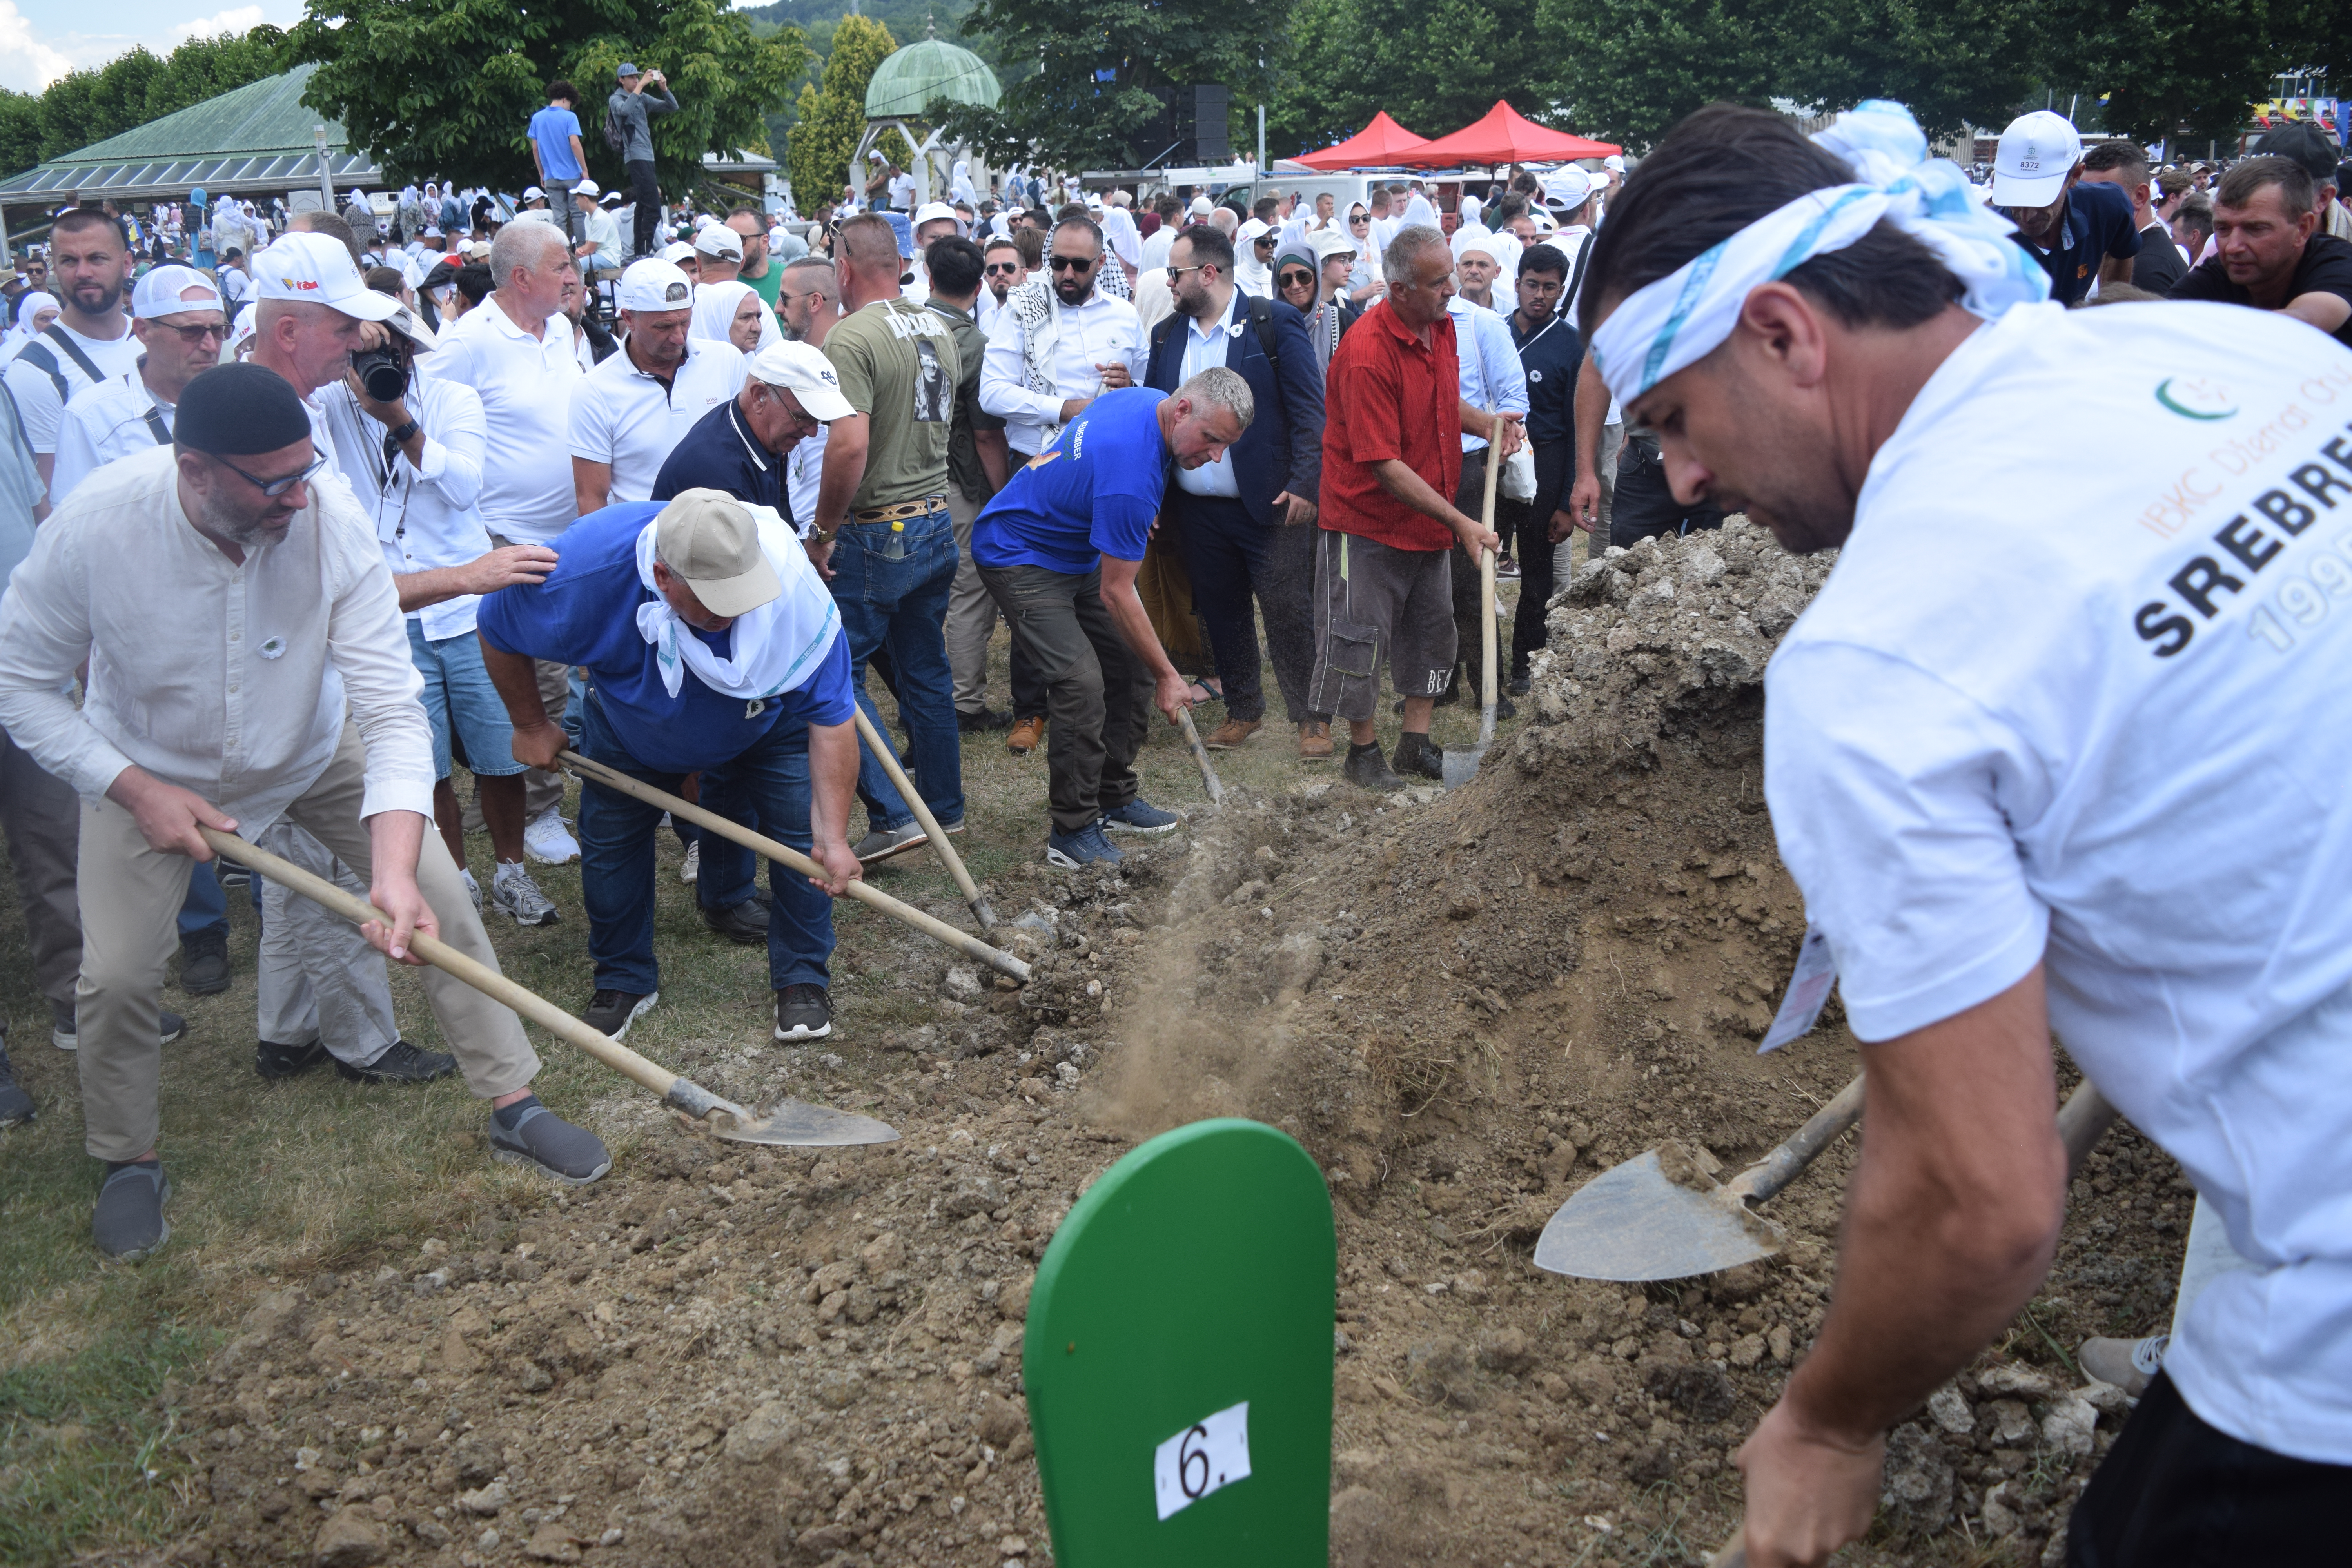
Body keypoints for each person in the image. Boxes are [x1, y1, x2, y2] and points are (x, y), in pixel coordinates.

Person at [1578, 94, 2352, 1568]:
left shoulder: (1874, 664)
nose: (1677, 480)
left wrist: (1826, 1418)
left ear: (1785, 333)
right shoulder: (2222, 352)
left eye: (1674, 417)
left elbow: (1979, 1199)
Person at [0, 363, 614, 1258]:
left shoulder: (327, 517)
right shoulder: (97, 528)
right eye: (273, 481)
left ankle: (513, 1102)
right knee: (119, 975)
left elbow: (390, 698)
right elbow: (21, 687)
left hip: (314, 743)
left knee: (442, 904)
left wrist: (396, 869)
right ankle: (128, 1156)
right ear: (196, 469)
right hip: (148, 767)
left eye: (307, 469)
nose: (300, 495)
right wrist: (134, 787)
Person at [476, 485, 863, 1045]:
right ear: (663, 576)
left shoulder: (794, 591)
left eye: (741, 595)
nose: (732, 613)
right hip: (632, 731)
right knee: (610, 846)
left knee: (803, 842)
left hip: (766, 721)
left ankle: (802, 978)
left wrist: (834, 837)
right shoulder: (581, 577)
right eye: (713, 601)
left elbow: (832, 718)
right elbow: (497, 625)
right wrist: (531, 724)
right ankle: (624, 979)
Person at [973, 373, 1248, 865]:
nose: (1215, 457)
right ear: (1183, 410)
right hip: (1019, 553)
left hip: (1076, 549)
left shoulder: (1148, 402)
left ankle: (1113, 796)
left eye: (1226, 446)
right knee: (1080, 682)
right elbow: (1118, 592)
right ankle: (1072, 833)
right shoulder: (1132, 479)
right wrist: (1172, 677)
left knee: (1130, 663)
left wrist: (1156, 669)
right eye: (1211, 440)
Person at [1307, 225, 1512, 793]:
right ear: (1398, 289)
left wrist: (1487, 424)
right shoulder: (1368, 353)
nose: (1451, 288)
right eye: (1438, 281)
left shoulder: (1440, 326)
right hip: (1367, 520)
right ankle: (1363, 751)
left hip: (1427, 518)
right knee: (1360, 637)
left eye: (1450, 275)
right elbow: (1383, 465)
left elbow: (1443, 398)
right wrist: (1461, 521)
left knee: (1431, 633)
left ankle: (1414, 744)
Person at [424, 219, 585, 864]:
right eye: (561, 266)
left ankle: (567, 782)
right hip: (506, 536)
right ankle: (540, 811)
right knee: (536, 676)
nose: (573, 275)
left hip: (573, 528)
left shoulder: (566, 331)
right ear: (522, 278)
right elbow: (427, 431)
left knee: (575, 671)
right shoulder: (466, 344)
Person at [809, 213, 968, 863]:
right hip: (935, 516)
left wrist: (822, 531)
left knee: (833, 673)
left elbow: (848, 445)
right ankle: (944, 807)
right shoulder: (939, 324)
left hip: (880, 528)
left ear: (844, 267)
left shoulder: (850, 338)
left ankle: (897, 813)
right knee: (925, 671)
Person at [1148, 224, 1330, 759]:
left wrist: (1305, 483)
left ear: (1208, 273)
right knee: (1221, 612)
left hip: (1271, 503)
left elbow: (1309, 410)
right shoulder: (1166, 335)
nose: (1169, 284)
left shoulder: (1273, 323)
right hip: (1198, 509)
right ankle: (1244, 709)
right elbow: (1160, 419)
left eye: (1175, 274)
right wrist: (1156, 497)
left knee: (1290, 612)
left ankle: (1311, 716)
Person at [980, 217, 1145, 756]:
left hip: (1104, 468)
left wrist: (1127, 386)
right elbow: (993, 393)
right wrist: (1062, 407)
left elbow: (1145, 390)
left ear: (1103, 264)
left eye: (1079, 265)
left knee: (1096, 584)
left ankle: (1104, 699)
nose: (1067, 274)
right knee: (1037, 582)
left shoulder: (1124, 314)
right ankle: (1031, 709)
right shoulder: (1021, 309)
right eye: (1058, 264)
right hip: (1042, 463)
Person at [921, 235, 1015, 733]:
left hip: (900, 481)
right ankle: (963, 703)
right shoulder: (977, 345)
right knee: (968, 594)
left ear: (929, 278)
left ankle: (920, 693)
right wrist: (1003, 495)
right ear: (980, 286)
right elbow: (985, 433)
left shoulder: (900, 331)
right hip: (956, 483)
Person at [571, 258, 745, 515]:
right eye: (663, 327)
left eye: (685, 321)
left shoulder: (727, 361)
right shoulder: (594, 391)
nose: (679, 337)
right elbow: (592, 501)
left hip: (727, 534)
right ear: (629, 319)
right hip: (644, 545)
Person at [1439, 240, 1528, 717]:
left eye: (1480, 263)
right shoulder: (1409, 323)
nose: (1468, 272)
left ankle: (1487, 684)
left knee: (1474, 581)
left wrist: (1504, 427)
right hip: (1419, 470)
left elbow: (1514, 395)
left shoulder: (1483, 326)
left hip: (1469, 468)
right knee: (1431, 583)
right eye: (1463, 263)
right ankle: (1440, 682)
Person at [50, 266, 224, 507]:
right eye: (191, 332)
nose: (211, 347)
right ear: (143, 331)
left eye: (218, 330)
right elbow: (73, 528)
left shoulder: (241, 401)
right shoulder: (92, 418)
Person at [7, 209, 140, 518]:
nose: (83, 273)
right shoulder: (34, 371)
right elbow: (47, 503)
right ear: (54, 267)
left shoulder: (153, 340)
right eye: (69, 261)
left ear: (126, 264)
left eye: (97, 258)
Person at [1501, 243, 1580, 696]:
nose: (1539, 295)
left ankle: (1525, 666)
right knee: (1474, 568)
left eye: (1549, 288)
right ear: (1517, 284)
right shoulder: (1494, 333)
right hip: (1494, 458)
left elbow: (1575, 427)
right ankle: (1471, 669)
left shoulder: (1571, 345)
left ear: (1560, 291)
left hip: (1546, 459)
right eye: (1532, 285)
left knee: (1537, 572)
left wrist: (1567, 500)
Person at [2169, 156, 2352, 347]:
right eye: (2223, 229)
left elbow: (2303, 322)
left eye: (2255, 229)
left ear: (2303, 228)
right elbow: (2160, 319)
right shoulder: (2217, 272)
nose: (2233, 247)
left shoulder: (2337, 261)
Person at [1990, 109, 2138, 306]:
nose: (2027, 215)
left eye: (2041, 197)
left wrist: (2110, 313)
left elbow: (2123, 250)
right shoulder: (1981, 239)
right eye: (2015, 195)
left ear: (2076, 176)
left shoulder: (2108, 207)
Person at [2079, 142, 2185, 295]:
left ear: (2140, 197)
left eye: (2103, 196)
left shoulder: (2146, 269)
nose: (2089, 207)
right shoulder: (2132, 251)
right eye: (2084, 194)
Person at [610, 64, 679, 261]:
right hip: (635, 155)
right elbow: (624, 111)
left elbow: (673, 107)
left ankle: (639, 251)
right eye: (630, 78)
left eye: (637, 77)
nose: (635, 80)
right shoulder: (616, 98)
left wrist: (664, 89)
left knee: (642, 204)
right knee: (653, 206)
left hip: (648, 155)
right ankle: (645, 248)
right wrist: (640, 87)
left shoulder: (642, 97)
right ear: (621, 80)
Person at [529, 82, 588, 248]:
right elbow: (575, 144)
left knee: (559, 217)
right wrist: (584, 169)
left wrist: (542, 173)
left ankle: (562, 251)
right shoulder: (570, 117)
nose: (569, 108)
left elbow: (535, 148)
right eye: (570, 104)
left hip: (551, 178)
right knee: (578, 214)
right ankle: (583, 249)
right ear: (564, 99)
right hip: (572, 176)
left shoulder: (537, 118)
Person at [692, 278, 779, 356]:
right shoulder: (692, 370)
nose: (757, 328)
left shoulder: (755, 366)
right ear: (719, 321)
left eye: (758, 317)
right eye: (746, 318)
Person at [572, 182, 622, 278]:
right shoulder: (588, 218)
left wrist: (580, 251)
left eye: (577, 199)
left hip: (609, 258)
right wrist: (580, 250)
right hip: (599, 255)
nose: (576, 202)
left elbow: (590, 250)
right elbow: (588, 245)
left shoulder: (600, 218)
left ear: (585, 199)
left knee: (575, 267)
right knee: (574, 265)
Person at [978, 235, 1024, 339]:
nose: (1000, 273)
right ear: (986, 277)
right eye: (992, 269)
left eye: (1009, 267)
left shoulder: (1035, 315)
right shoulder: (985, 318)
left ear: (1024, 274)